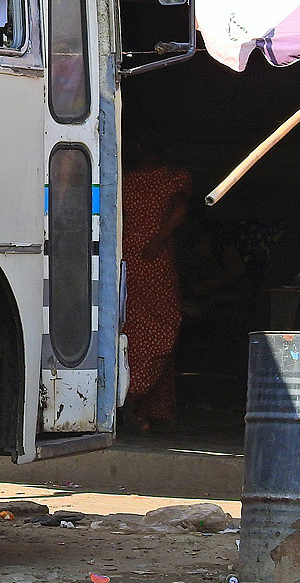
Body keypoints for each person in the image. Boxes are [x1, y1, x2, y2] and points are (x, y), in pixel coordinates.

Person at [121, 132, 191, 433]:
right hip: (152, 259)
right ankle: (132, 400)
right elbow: (181, 210)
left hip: (126, 258)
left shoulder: (125, 179)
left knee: (133, 328)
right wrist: (158, 240)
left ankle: (137, 405)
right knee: (163, 327)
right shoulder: (172, 178)